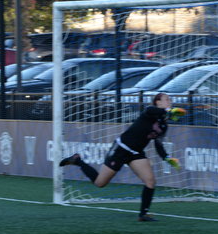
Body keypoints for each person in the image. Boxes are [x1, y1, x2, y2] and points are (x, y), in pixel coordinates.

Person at [59, 92, 185, 222]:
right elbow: (152, 110)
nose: (169, 101)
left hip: (136, 153)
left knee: (150, 181)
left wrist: (167, 158)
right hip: (121, 148)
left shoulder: (164, 125)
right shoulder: (150, 111)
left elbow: (158, 144)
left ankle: (143, 214)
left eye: (170, 100)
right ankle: (78, 161)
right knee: (100, 183)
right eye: (166, 99)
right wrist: (168, 111)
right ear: (158, 102)